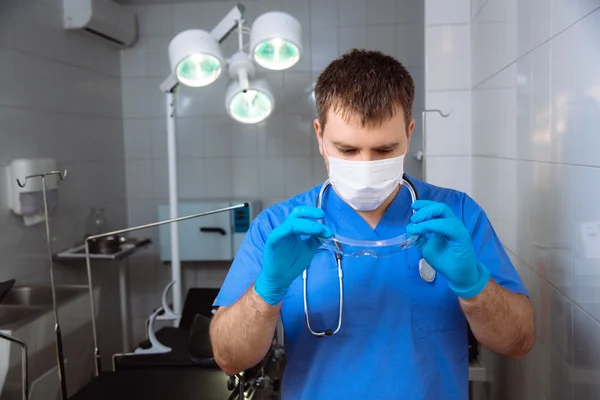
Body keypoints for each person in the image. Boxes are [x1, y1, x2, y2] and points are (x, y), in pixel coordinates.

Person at [209, 49, 535, 399]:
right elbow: (229, 357)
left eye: (383, 151)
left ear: (409, 135)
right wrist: (267, 291)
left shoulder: (455, 217)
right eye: (347, 150)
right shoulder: (278, 228)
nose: (365, 167)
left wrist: (473, 285)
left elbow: (519, 341)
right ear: (319, 136)